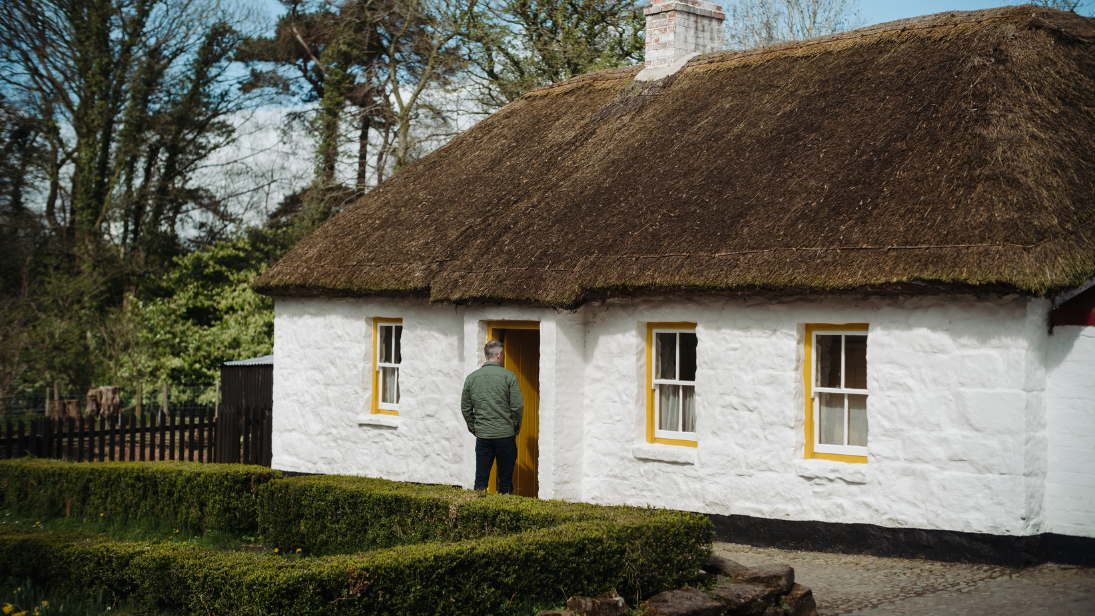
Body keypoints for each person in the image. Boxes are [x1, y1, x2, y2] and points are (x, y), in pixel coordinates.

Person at [461, 339, 524, 493]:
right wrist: (515, 426)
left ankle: (476, 514)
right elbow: (517, 406)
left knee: (481, 480)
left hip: (483, 436)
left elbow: (465, 407)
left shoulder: (472, 378)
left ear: (487, 356)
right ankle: (505, 513)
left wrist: (474, 427)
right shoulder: (509, 376)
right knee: (505, 480)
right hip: (505, 435)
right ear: (499, 356)